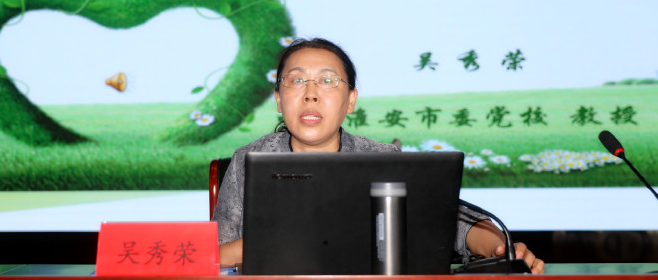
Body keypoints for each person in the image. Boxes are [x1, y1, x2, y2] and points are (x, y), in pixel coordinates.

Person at [213, 38, 545, 273]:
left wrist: (500, 249)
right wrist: (281, 244)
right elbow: (214, 255)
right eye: (297, 80)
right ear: (278, 98)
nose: (310, 94)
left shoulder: (383, 159)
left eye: (327, 80)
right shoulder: (247, 160)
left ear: (351, 101)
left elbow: (456, 223)